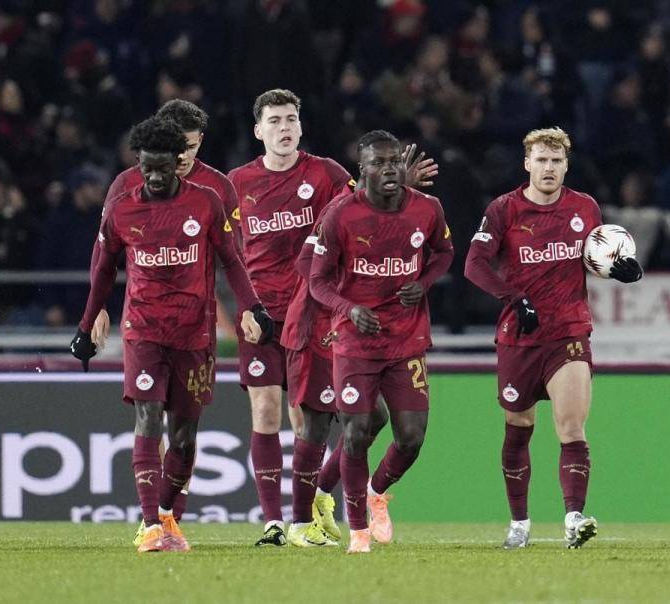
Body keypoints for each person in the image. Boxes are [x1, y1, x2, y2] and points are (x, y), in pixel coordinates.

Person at [228, 89, 436, 546]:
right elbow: (227, 251)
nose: (284, 128)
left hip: (318, 311)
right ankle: (279, 523)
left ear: (301, 125)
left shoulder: (327, 173)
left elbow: (367, 204)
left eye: (291, 119)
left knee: (358, 419)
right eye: (274, 121)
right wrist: (242, 306)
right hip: (262, 313)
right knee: (268, 410)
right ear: (258, 130)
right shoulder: (237, 183)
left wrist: (400, 184)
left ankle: (320, 493)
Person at [70, 117, 273, 553]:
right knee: (148, 418)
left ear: (179, 161)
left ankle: (166, 515)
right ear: (138, 164)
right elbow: (103, 271)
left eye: (164, 168)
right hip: (144, 329)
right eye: (148, 169)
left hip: (193, 333)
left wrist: (252, 306)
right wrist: (87, 324)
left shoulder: (205, 201)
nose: (156, 177)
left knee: (183, 437)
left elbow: (232, 259)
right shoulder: (122, 209)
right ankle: (149, 525)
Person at [464, 127, 643, 550]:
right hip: (519, 336)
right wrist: (514, 299)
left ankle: (574, 518)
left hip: (568, 331)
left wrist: (621, 270)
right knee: (519, 426)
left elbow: (596, 259)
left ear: (566, 165)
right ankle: (519, 523)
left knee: (572, 427)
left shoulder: (584, 207)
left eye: (556, 161)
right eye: (541, 160)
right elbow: (474, 265)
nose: (549, 168)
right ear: (527, 163)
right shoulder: (504, 209)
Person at [282, 140, 440, 548]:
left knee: (384, 423)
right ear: (361, 171)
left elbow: (439, 250)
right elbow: (308, 268)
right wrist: (347, 306)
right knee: (323, 424)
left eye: (394, 164)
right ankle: (307, 520)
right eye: (378, 164)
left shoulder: (415, 208)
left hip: (383, 334)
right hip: (326, 328)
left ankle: (327, 493)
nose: (389, 171)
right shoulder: (338, 212)